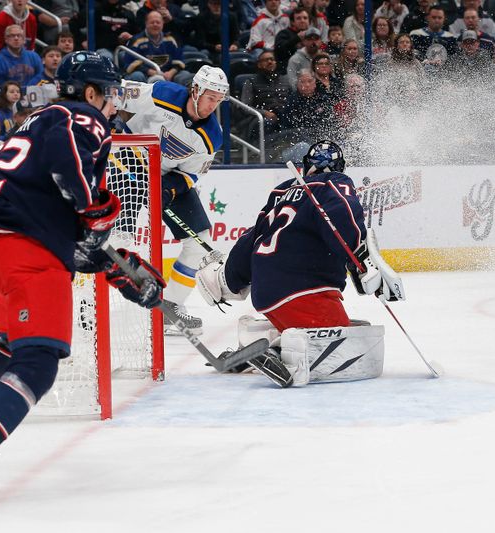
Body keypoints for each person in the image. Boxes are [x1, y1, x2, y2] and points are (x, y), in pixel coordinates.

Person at [0, 51, 164, 511]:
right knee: (38, 363)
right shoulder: (78, 117)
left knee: (8, 337)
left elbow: (49, 210)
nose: (112, 106)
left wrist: (108, 261)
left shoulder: (31, 123)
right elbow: (77, 186)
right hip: (24, 253)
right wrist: (100, 216)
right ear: (90, 92)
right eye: (108, 95)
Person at [195, 140, 404, 387]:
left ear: (307, 166)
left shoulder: (281, 192)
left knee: (341, 328)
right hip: (303, 290)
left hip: (267, 294)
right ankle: (279, 353)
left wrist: (230, 277)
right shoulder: (334, 184)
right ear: (340, 167)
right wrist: (363, 262)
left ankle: (259, 344)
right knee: (343, 342)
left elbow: (254, 236)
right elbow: (343, 216)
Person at [115, 65, 227, 334]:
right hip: (129, 160)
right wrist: (106, 118)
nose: (214, 105)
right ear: (196, 90)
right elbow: (116, 92)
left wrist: (171, 188)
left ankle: (169, 308)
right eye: (211, 97)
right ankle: (91, 307)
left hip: (166, 176)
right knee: (119, 238)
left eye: (219, 100)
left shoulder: (213, 136)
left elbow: (192, 175)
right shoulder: (162, 93)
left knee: (200, 240)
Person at [123, 10, 189, 86]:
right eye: (152, 22)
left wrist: (171, 73)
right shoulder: (136, 40)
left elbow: (179, 61)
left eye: (158, 22)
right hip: (145, 75)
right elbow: (129, 64)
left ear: (162, 24)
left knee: (185, 75)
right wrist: (150, 72)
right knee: (137, 75)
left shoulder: (171, 40)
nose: (155, 25)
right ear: (146, 23)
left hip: (168, 74)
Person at [0, 24, 42, 89]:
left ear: (24, 40)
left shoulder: (34, 56)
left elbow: (41, 76)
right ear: (6, 39)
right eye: (12, 36)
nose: (16, 38)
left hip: (33, 93)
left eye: (19, 35)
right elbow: (1, 84)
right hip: (10, 95)